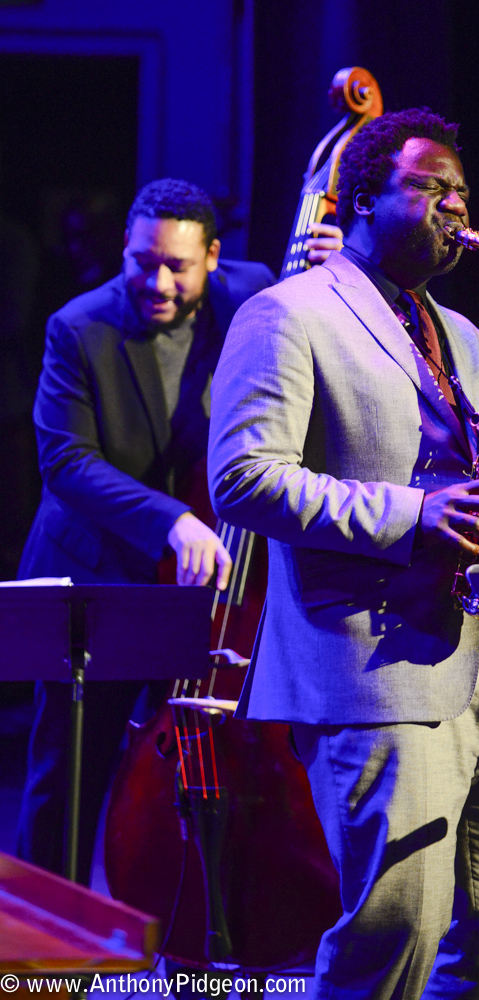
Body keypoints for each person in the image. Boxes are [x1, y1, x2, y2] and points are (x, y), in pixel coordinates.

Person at [207, 110, 479, 1000]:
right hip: (370, 660)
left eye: (462, 192)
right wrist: (413, 515)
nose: (456, 207)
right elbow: (243, 479)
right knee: (395, 929)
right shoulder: (285, 312)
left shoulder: (472, 338)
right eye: (430, 187)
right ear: (363, 197)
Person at [16, 177, 341, 883]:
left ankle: (187, 916)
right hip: (101, 574)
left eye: (177, 266)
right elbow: (66, 462)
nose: (157, 281)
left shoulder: (254, 291)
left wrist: (338, 273)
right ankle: (43, 934)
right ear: (125, 248)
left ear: (213, 258)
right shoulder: (77, 327)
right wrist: (175, 521)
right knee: (68, 773)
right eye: (143, 261)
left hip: (207, 581)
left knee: (197, 766)